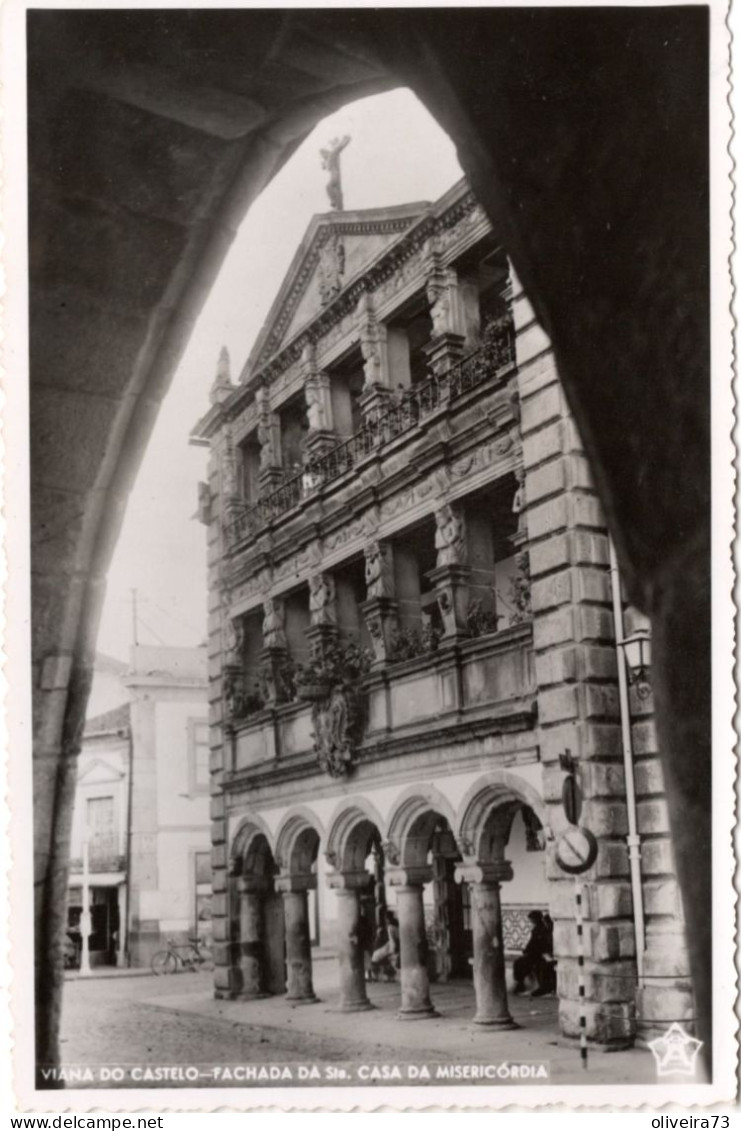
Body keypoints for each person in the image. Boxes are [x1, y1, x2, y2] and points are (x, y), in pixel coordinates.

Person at [512, 909, 555, 997]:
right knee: (519, 963)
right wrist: (527, 950)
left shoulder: (545, 930)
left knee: (540, 966)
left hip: (542, 955)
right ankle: (520, 984)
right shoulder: (537, 930)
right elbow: (532, 943)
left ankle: (544, 988)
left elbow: (544, 945)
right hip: (536, 954)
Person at [371, 910, 399, 981]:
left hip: (391, 945)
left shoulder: (390, 927)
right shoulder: (396, 925)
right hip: (391, 944)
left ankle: (377, 975)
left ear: (387, 918)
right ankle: (387, 975)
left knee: (375, 957)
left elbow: (392, 938)